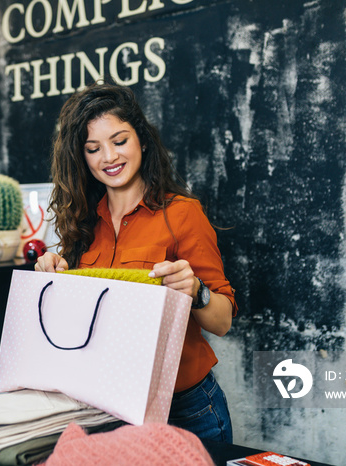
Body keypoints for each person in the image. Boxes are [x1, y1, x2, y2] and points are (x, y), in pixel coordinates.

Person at [35, 81, 237, 444]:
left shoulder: (182, 214)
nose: (109, 157)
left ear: (141, 140)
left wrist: (195, 291)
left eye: (120, 141)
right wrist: (53, 278)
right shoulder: (81, 225)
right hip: (106, 409)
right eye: (93, 148)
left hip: (186, 411)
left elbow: (222, 322)